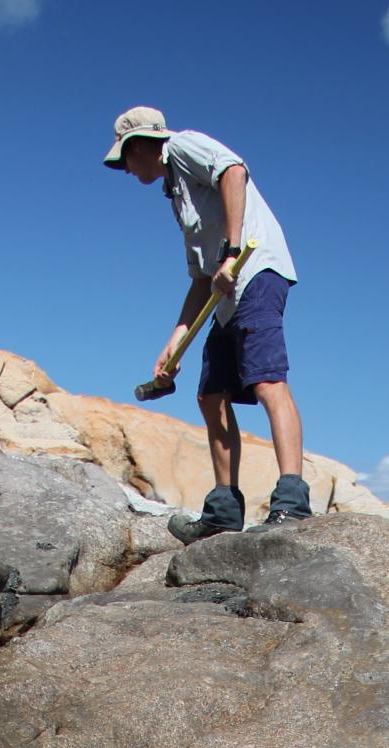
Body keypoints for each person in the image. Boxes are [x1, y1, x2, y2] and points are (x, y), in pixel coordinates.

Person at [104, 105, 310, 540]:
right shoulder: (177, 195)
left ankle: (292, 501)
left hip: (256, 271)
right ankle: (223, 510)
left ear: (140, 146)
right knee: (210, 394)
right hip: (224, 294)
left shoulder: (182, 145)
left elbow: (234, 171)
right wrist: (174, 343)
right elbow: (201, 277)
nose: (127, 170)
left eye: (126, 160)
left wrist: (232, 252)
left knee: (267, 381)